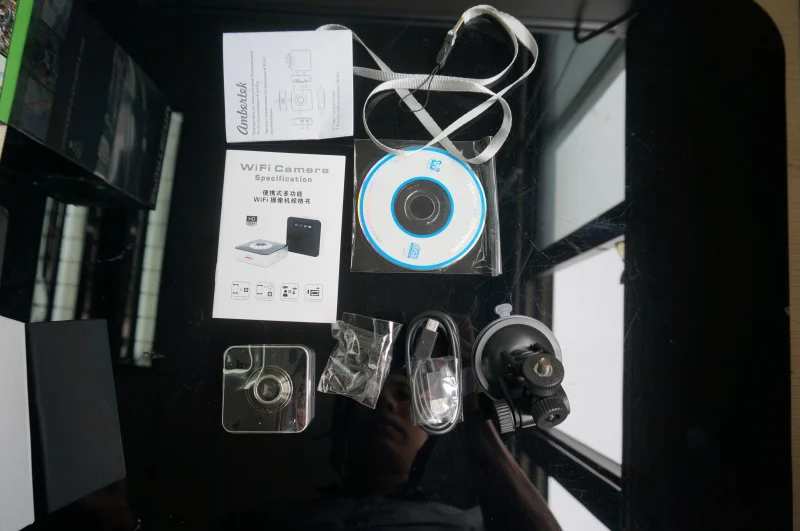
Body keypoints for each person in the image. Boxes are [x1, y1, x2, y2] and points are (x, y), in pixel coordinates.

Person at [274, 372, 563, 531]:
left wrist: (475, 416)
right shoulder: (282, 518)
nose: (385, 402)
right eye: (367, 397)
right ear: (346, 423)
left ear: (430, 429)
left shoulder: (468, 522)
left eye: (403, 395)